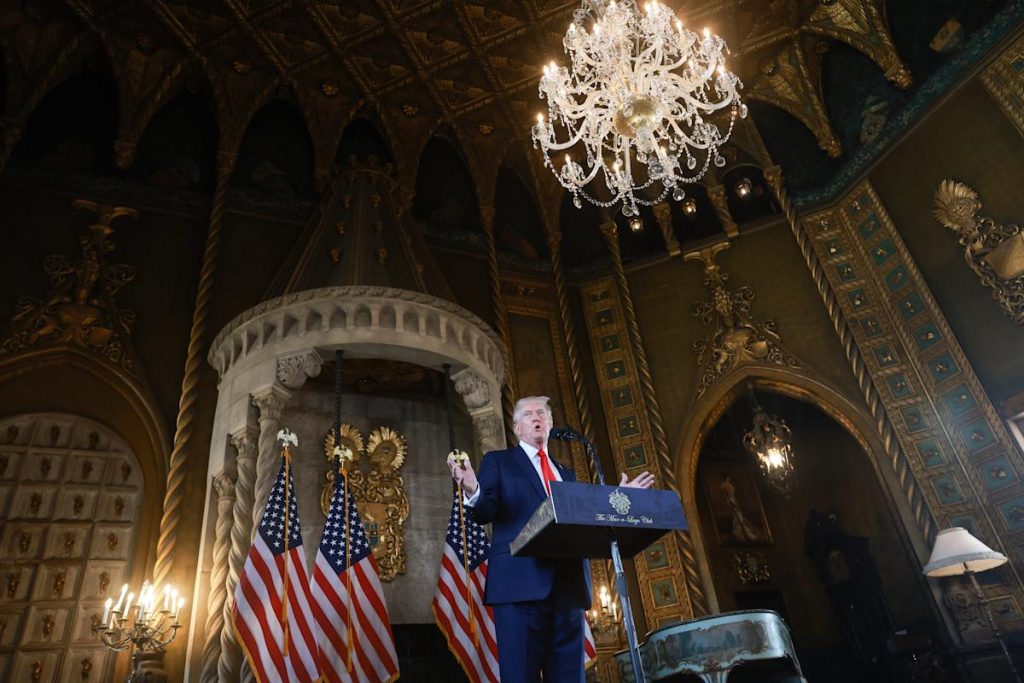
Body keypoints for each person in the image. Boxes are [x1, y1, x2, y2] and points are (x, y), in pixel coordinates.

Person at [448, 395, 654, 682]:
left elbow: (587, 517)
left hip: (568, 588)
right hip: (519, 586)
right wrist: (473, 488)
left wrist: (621, 500)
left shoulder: (567, 474)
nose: (537, 417)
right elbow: (485, 512)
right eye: (529, 414)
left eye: (542, 413)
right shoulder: (499, 462)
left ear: (550, 423)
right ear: (517, 428)